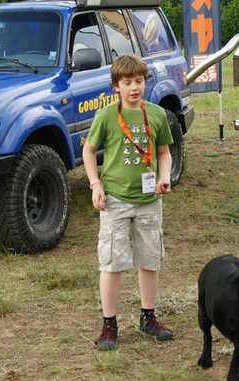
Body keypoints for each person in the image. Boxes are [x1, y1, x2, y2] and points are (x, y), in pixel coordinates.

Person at [83, 53, 174, 351]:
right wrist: (95, 185)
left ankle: (148, 317)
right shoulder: (107, 115)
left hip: (149, 200)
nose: (134, 87)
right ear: (115, 86)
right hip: (115, 200)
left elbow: (163, 152)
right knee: (112, 262)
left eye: (139, 81)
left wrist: (164, 176)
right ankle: (109, 323)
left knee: (150, 259)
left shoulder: (157, 114)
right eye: (127, 82)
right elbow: (88, 151)